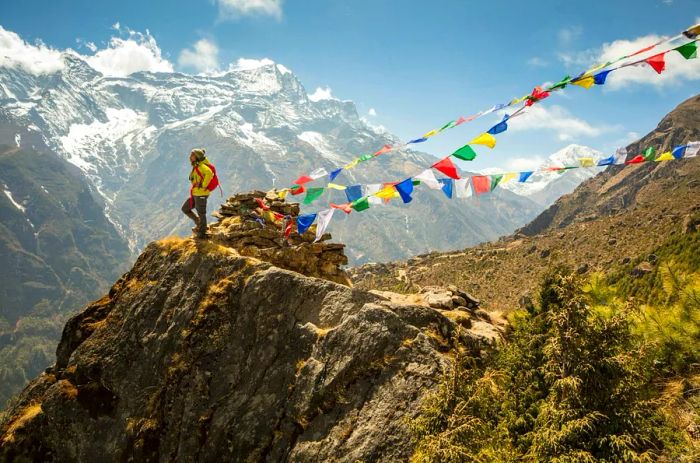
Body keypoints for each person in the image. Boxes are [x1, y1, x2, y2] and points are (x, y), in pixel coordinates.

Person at [182, 148, 213, 239]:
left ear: (197, 157)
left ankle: (202, 232)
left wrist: (203, 185)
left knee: (201, 213)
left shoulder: (201, 166)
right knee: (185, 208)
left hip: (201, 194)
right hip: (196, 193)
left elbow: (209, 173)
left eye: (192, 155)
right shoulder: (197, 165)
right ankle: (199, 223)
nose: (190, 157)